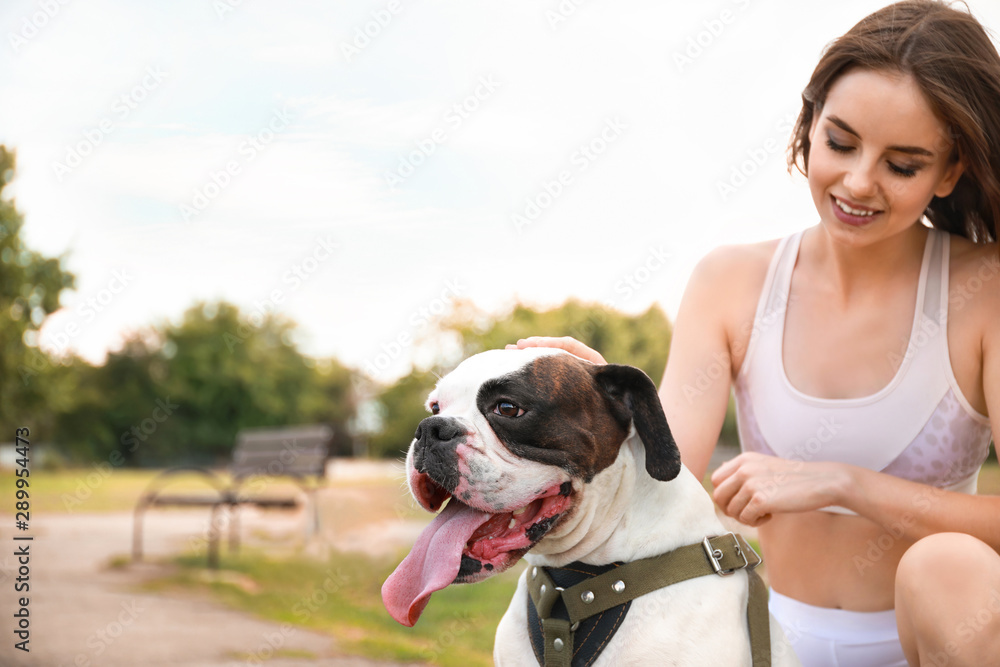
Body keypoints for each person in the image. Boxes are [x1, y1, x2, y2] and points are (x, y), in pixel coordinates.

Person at [511, 1, 1000, 665]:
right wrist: (603, 391)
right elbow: (664, 471)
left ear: (951, 172)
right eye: (841, 141)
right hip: (767, 642)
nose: (858, 182)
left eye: (903, 164)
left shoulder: (986, 291)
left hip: (934, 646)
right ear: (808, 123)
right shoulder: (733, 281)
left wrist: (840, 482)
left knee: (947, 564)